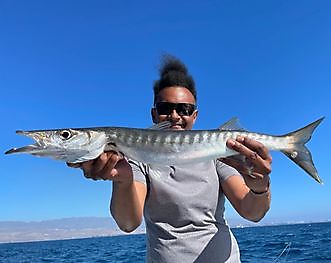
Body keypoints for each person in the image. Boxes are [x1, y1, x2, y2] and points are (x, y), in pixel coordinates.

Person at [71, 55, 271, 262]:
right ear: (154, 114)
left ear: (195, 116)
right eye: (166, 109)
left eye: (184, 109)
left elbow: (252, 212)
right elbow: (128, 223)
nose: (175, 116)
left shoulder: (218, 155)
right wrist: (122, 181)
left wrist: (260, 185)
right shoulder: (136, 159)